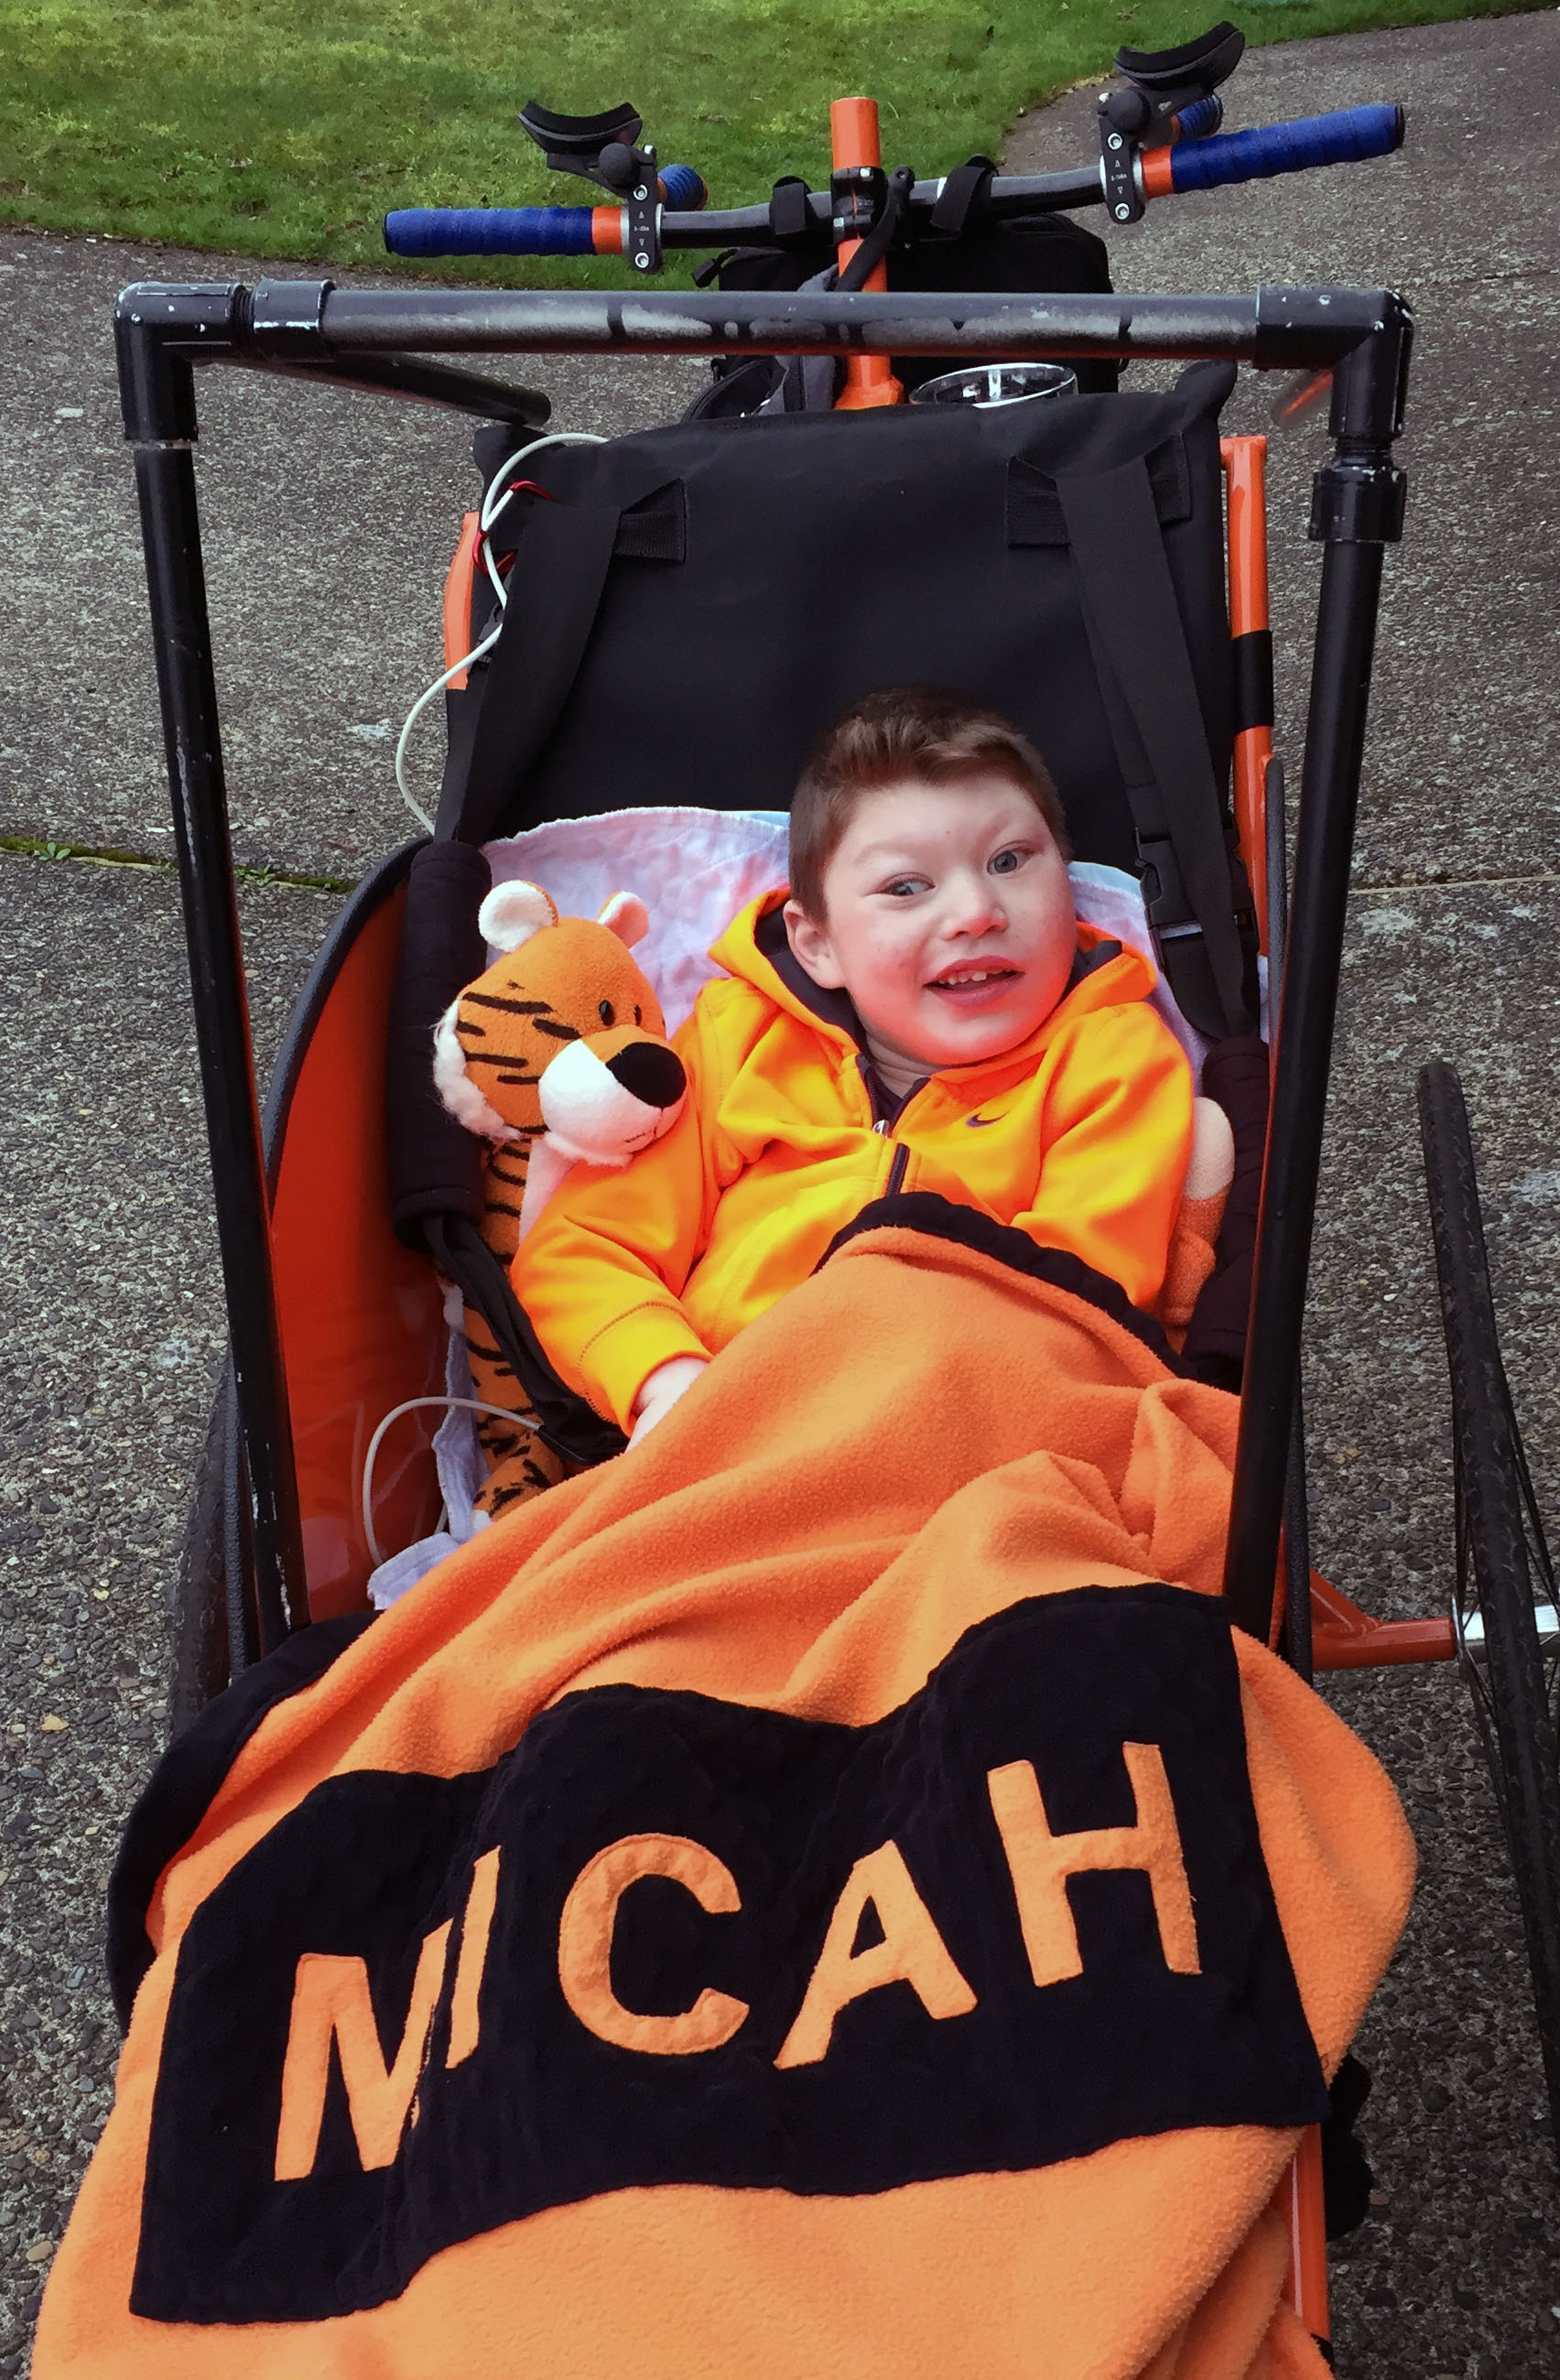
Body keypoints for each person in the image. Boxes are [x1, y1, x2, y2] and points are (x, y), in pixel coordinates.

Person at [515, 686, 1230, 1446]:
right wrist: (664, 1381)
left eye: (1010, 860)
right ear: (817, 942)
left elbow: (1076, 1303)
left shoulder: (1110, 1059)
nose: (975, 912)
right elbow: (584, 1247)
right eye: (905, 887)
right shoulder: (741, 1040)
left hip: (972, 1433)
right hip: (721, 1426)